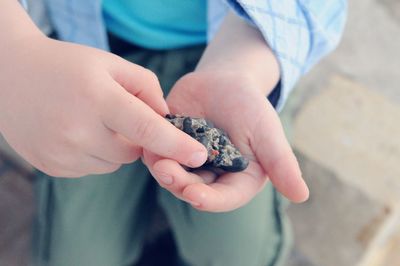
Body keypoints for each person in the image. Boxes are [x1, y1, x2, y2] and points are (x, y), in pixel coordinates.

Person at [0, 1, 347, 265]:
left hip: (238, 49)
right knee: (78, 255)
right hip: (84, 47)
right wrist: (12, 52)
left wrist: (241, 70)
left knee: (238, 252)